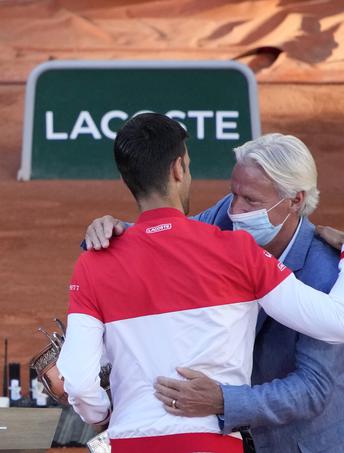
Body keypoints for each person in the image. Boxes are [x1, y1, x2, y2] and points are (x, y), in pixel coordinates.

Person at [56, 113, 344, 452]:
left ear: (295, 200)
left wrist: (224, 400)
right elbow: (171, 238)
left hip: (289, 440)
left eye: (251, 201)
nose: (235, 211)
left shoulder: (323, 271)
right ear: (180, 169)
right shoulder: (231, 226)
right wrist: (115, 229)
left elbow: (311, 391)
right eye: (233, 193)